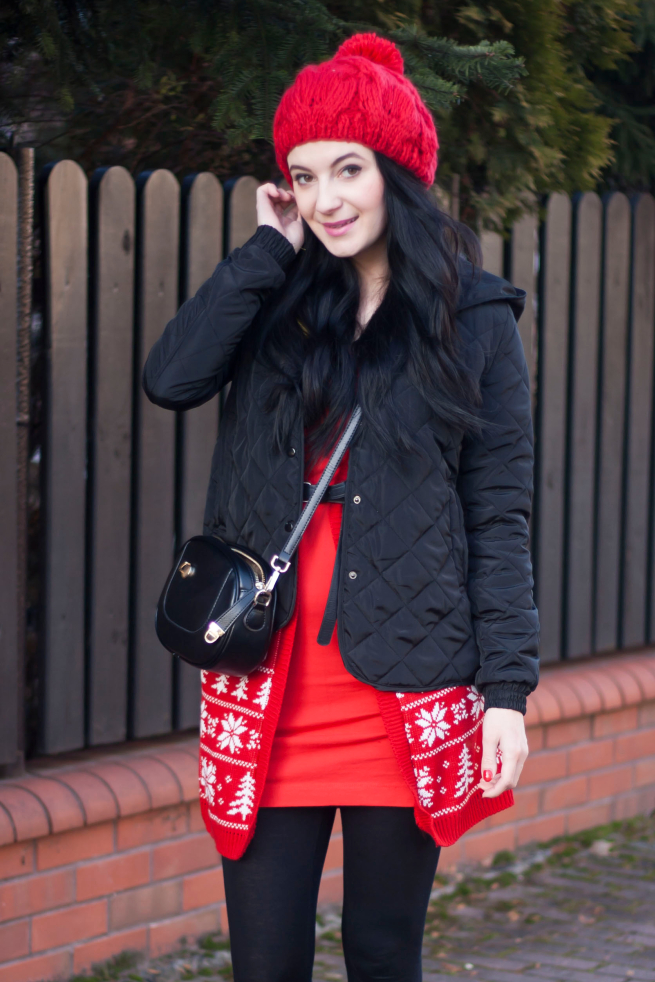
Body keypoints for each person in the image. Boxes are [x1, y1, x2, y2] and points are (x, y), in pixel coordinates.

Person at [143, 31, 539, 982]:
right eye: (304, 174)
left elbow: (498, 514)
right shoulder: (273, 299)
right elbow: (169, 378)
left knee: (381, 952)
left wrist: (507, 695)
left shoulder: (472, 320)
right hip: (267, 687)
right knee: (265, 963)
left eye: (348, 169)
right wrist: (264, 249)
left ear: (396, 173)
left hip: (407, 689)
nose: (325, 198)